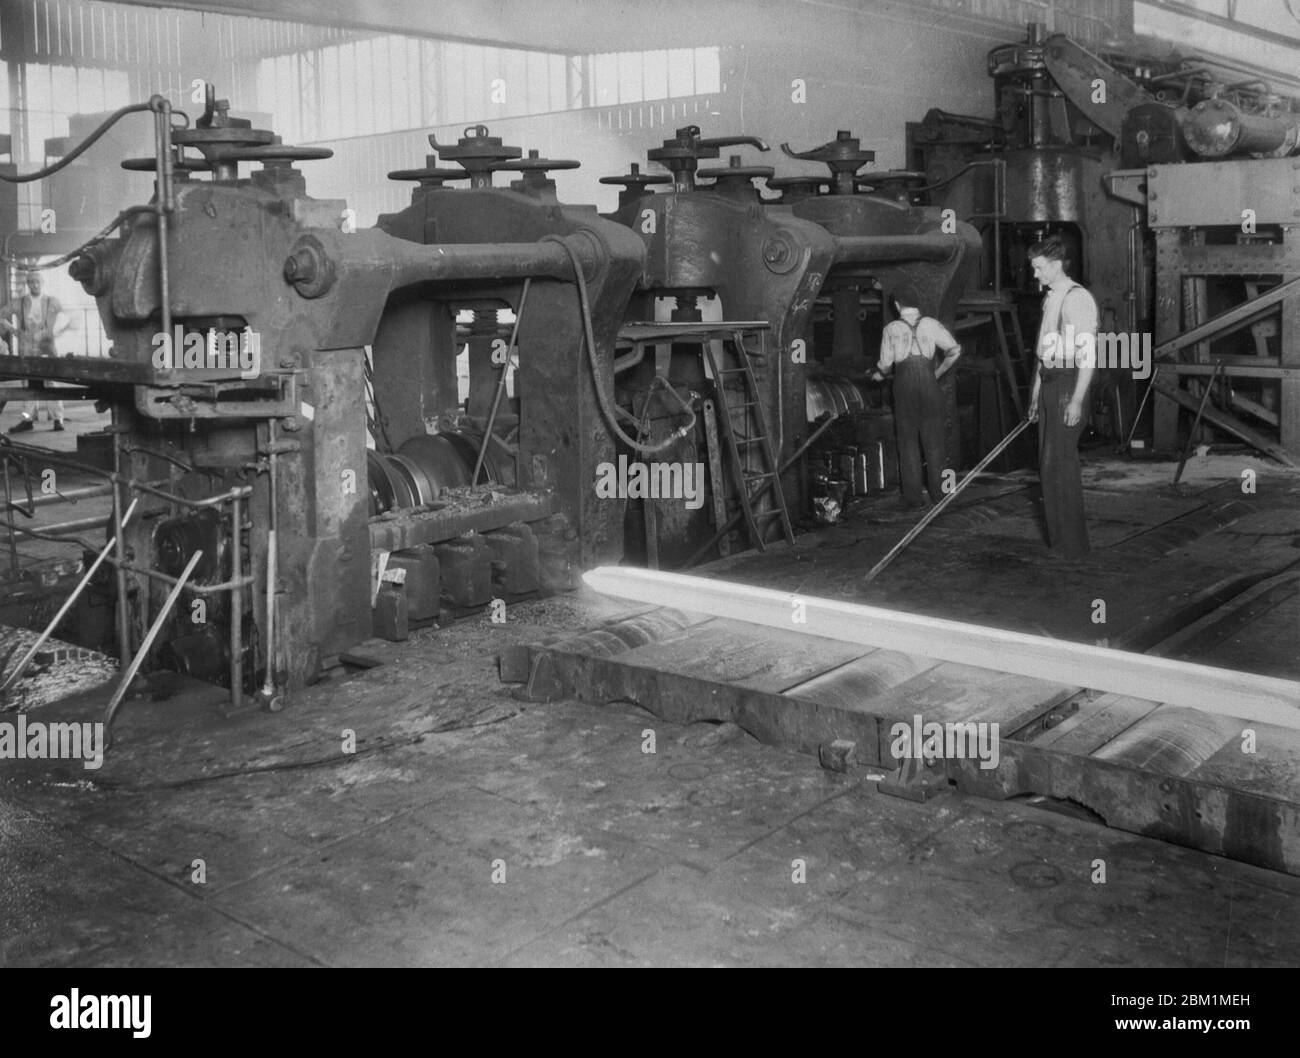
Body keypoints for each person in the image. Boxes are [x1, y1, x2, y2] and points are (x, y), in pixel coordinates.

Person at [1025, 235, 1097, 559]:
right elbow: (1045, 354)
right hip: (1050, 382)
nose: (1035, 274)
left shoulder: (1076, 299)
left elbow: (1088, 354)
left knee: (1061, 465)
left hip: (1068, 383)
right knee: (1048, 465)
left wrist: (1077, 400)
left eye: (1039, 268)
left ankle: (1073, 547)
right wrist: (1036, 395)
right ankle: (1060, 544)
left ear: (1055, 266)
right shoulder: (1050, 298)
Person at [872, 287, 962, 507]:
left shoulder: (891, 328)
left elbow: (885, 364)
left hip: (903, 387)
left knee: (908, 440)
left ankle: (912, 498)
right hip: (929, 386)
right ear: (918, 305)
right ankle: (941, 495)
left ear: (896, 306)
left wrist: (878, 375)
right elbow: (955, 350)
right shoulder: (931, 324)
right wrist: (937, 373)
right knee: (935, 440)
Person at [1, 269, 70, 432]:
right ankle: (28, 419)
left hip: (47, 347)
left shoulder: (52, 302)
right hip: (27, 349)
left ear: (43, 283)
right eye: (31, 281)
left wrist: (57, 332)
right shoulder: (19, 302)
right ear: (28, 284)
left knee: (51, 382)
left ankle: (58, 419)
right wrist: (16, 332)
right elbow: (1, 315)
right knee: (28, 384)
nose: (35, 284)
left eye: (38, 281)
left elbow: (69, 316)